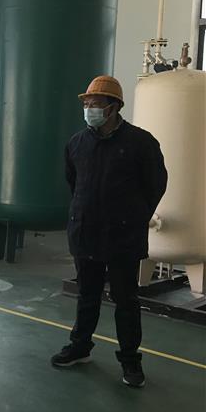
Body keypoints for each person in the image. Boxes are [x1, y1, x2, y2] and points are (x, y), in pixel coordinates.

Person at [51, 75, 167, 388]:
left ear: (113, 108)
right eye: (87, 104)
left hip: (122, 237)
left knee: (125, 300)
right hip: (86, 232)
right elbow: (74, 182)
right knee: (87, 295)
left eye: (95, 104)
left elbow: (156, 185)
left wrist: (134, 217)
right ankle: (80, 347)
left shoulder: (141, 143)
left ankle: (130, 360)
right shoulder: (77, 143)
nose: (89, 109)